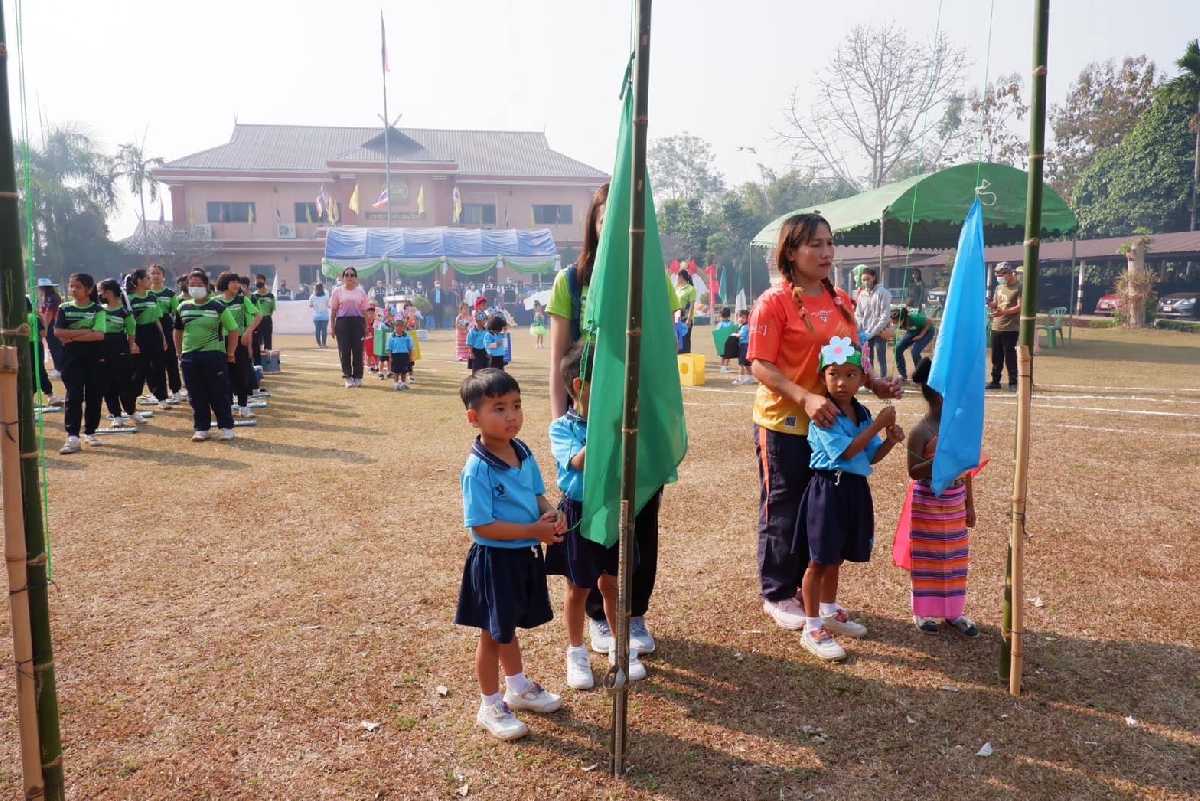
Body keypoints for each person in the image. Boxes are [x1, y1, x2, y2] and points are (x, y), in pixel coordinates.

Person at [748, 213, 902, 631]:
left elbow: (849, 360)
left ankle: (808, 590)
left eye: (830, 243)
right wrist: (804, 396)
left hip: (832, 429)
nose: (826, 252)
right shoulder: (773, 303)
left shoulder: (841, 301)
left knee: (817, 510)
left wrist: (874, 384)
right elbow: (760, 364)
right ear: (790, 251)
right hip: (783, 424)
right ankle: (778, 593)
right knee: (783, 508)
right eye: (815, 244)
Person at [546, 181, 676, 656]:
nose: (617, 231)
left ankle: (634, 612)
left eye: (627, 224)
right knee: (593, 517)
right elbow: (559, 361)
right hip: (589, 423)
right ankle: (599, 618)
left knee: (641, 517)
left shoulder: (653, 280)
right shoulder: (571, 281)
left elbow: (662, 358)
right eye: (608, 222)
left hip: (640, 422)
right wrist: (563, 427)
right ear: (595, 225)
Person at [456, 368, 565, 741]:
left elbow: (536, 495)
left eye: (516, 405)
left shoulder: (522, 450)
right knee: (492, 634)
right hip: (495, 562)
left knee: (508, 627)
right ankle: (489, 705)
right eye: (499, 408)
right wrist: (534, 531)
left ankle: (517, 687)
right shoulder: (478, 468)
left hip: (524, 556)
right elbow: (481, 527)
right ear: (474, 417)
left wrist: (552, 514)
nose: (511, 416)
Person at [546, 341, 645, 690]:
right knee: (578, 587)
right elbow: (577, 462)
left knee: (612, 583)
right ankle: (576, 651)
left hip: (613, 510)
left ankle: (620, 646)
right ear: (580, 386)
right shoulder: (562, 428)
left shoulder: (620, 425)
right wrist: (607, 429)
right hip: (579, 512)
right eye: (605, 383)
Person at [797, 338, 904, 661]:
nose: (841, 382)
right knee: (819, 559)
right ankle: (811, 626)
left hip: (854, 489)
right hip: (828, 490)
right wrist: (879, 426)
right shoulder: (824, 415)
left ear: (862, 379)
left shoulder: (861, 413)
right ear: (823, 376)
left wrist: (889, 440)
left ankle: (829, 610)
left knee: (836, 556)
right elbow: (845, 453)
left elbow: (868, 457)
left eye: (850, 374)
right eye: (833, 374)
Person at [175, 269, 239, 441]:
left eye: (199, 284)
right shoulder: (182, 307)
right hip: (190, 357)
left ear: (206, 286)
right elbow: (178, 331)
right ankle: (201, 428)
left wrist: (230, 352)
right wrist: (179, 352)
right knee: (196, 394)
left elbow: (233, 330)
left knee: (218, 392)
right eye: (192, 284)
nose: (195, 287)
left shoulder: (217, 306)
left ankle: (226, 427)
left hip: (214, 355)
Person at [55, 273, 107, 454]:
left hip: (94, 358)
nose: (73, 290)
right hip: (71, 359)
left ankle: (90, 432)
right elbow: (58, 332)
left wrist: (71, 336)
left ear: (89, 289)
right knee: (74, 396)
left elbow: (98, 335)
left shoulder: (98, 310)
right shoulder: (64, 308)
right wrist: (86, 332)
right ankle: (72, 436)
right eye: (72, 286)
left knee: (94, 395)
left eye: (78, 287)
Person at [215, 273, 260, 418]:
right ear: (224, 284)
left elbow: (258, 316)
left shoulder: (242, 300)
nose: (236, 284)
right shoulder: (215, 301)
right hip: (220, 342)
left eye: (237, 282)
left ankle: (243, 406)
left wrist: (248, 331)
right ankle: (227, 406)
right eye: (232, 281)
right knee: (223, 375)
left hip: (239, 341)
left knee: (242, 374)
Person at [126, 268, 171, 410]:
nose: (150, 280)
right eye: (147, 278)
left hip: (154, 332)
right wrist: (132, 342)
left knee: (159, 366)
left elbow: (157, 318)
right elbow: (128, 323)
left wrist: (163, 338)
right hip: (138, 333)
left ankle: (162, 397)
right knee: (139, 369)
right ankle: (131, 401)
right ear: (139, 281)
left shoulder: (151, 296)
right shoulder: (129, 299)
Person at [97, 278, 139, 428]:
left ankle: (131, 411)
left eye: (101, 291)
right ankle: (116, 415)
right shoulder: (99, 310)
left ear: (109, 292)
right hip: (103, 348)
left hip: (120, 347)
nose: (100, 294)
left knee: (125, 382)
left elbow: (131, 332)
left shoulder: (124, 311)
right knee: (108, 383)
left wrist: (130, 347)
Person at [149, 264, 184, 403]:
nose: (155, 276)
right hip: (150, 326)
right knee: (155, 363)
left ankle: (175, 390)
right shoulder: (146, 293)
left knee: (171, 360)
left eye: (158, 273)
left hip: (167, 325)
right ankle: (158, 393)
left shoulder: (170, 293)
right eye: (153, 273)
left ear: (163, 277)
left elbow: (176, 311)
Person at [329, 268, 370, 387]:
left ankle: (358, 377)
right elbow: (334, 310)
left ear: (355, 278)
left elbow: (365, 311)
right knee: (344, 351)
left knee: (358, 351)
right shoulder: (337, 291)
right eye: (346, 275)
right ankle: (347, 377)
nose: (349, 277)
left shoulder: (361, 291)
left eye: (352, 275)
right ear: (343, 278)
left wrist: (366, 326)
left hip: (358, 323)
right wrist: (332, 327)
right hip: (342, 323)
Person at [987, 262, 1021, 390]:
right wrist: (990, 304)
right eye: (997, 275)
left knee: (1010, 356)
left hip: (1011, 328)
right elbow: (996, 304)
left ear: (1009, 273)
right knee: (996, 356)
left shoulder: (1019, 287)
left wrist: (1004, 312)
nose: (999, 277)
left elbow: (1019, 307)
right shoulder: (999, 287)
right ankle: (995, 381)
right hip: (996, 326)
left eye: (1001, 275)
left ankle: (1013, 382)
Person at [854, 267, 892, 378]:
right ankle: (870, 380)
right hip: (866, 332)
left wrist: (873, 332)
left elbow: (885, 316)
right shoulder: (861, 294)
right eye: (863, 280)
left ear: (874, 278)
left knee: (881, 357)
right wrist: (861, 330)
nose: (866, 282)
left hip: (880, 331)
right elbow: (858, 314)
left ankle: (883, 378)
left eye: (868, 279)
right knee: (867, 358)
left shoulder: (883, 293)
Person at [891, 307, 934, 383]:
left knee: (915, 352)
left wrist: (920, 335)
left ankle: (922, 376)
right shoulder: (900, 322)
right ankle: (903, 376)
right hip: (913, 331)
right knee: (897, 349)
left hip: (927, 331)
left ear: (901, 318)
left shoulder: (914, 318)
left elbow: (929, 322)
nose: (893, 323)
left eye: (895, 321)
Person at [37, 278, 64, 376]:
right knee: (54, 347)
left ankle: (59, 368)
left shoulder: (50, 298)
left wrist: (45, 328)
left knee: (55, 347)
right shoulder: (50, 297)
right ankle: (59, 368)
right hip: (52, 324)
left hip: (52, 325)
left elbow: (49, 314)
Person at [251, 274, 276, 367]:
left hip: (267, 319)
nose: (257, 282)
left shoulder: (270, 295)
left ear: (264, 281)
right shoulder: (254, 296)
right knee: (256, 341)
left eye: (259, 280)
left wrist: (266, 316)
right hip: (256, 321)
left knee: (267, 340)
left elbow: (272, 309)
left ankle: (268, 362)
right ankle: (257, 363)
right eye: (256, 281)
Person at [674, 269, 697, 354]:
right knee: (678, 339)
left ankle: (686, 357)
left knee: (685, 339)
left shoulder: (691, 289)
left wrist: (689, 319)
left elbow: (691, 305)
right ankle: (678, 357)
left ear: (681, 277)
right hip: (677, 317)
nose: (677, 279)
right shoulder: (677, 288)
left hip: (685, 317)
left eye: (678, 277)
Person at [387, 319, 414, 390]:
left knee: (404, 370)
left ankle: (403, 383)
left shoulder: (407, 337)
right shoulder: (391, 337)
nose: (398, 328)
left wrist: (410, 356)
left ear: (403, 327)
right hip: (395, 355)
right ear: (394, 327)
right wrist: (390, 357)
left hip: (404, 355)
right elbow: (389, 348)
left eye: (400, 326)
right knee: (396, 371)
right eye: (397, 326)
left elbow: (410, 347)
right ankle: (396, 384)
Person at [732, 309, 754, 386]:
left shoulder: (745, 327)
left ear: (748, 318)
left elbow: (740, 335)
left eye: (743, 317)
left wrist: (733, 335)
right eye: (739, 317)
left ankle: (740, 379)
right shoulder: (743, 326)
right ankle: (750, 379)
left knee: (741, 364)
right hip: (746, 346)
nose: (741, 319)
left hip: (744, 346)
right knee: (747, 364)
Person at [714, 306, 737, 373]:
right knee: (726, 356)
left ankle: (724, 367)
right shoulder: (728, 323)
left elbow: (717, 333)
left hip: (725, 343)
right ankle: (723, 368)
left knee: (725, 356)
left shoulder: (722, 324)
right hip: (726, 343)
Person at [309, 283, 330, 347]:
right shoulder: (326, 296)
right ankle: (324, 344)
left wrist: (315, 305)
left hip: (316, 316)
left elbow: (310, 305)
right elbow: (328, 305)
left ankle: (319, 344)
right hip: (325, 316)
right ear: (322, 288)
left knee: (317, 330)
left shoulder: (312, 296)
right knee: (324, 330)